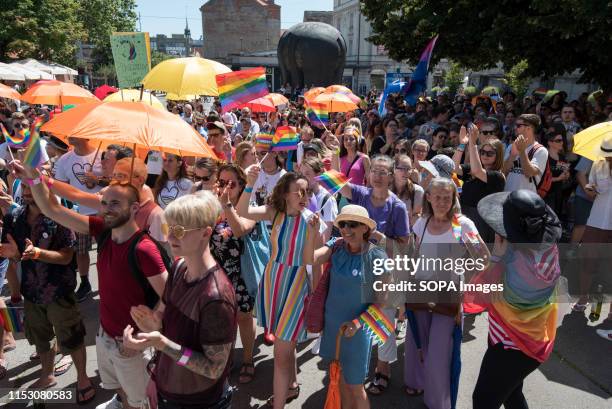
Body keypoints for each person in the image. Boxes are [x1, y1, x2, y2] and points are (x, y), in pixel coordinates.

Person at [11, 160, 168, 409]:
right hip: (105, 336)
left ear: (135, 207)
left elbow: (169, 294)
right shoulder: (102, 230)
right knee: (120, 390)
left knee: (142, 402)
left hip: (133, 344)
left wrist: (149, 328)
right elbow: (52, 209)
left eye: (115, 203)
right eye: (104, 203)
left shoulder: (145, 249)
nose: (106, 209)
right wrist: (33, 179)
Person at [122, 191, 237, 409]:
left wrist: (162, 343)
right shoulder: (177, 268)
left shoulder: (216, 297)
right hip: (169, 389)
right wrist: (155, 325)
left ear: (205, 233)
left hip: (200, 402)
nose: (169, 237)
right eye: (168, 228)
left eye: (179, 231)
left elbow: (214, 369)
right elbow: (166, 321)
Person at [237, 170, 325, 409]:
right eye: (299, 191)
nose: (304, 195)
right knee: (287, 342)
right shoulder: (274, 213)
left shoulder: (312, 220)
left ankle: (278, 404)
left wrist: (316, 294)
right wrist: (249, 184)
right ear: (285, 193)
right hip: (273, 280)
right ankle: (292, 385)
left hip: (296, 285)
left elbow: (316, 261)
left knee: (281, 353)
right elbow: (243, 211)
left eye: (307, 191)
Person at [0, 184, 96, 403]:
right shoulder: (14, 217)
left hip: (59, 291)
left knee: (72, 336)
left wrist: (38, 253)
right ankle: (47, 374)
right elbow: (14, 254)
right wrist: (14, 255)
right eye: (23, 186)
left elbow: (65, 257)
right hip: (32, 293)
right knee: (40, 337)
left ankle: (82, 378)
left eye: (31, 186)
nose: (26, 191)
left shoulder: (59, 216)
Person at [470, 190, 563, 409]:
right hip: (532, 341)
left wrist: (497, 256)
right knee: (512, 395)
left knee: (483, 401)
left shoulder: (516, 261)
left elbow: (479, 294)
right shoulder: (548, 247)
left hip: (510, 346)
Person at [404, 178, 489, 409]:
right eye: (437, 197)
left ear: (453, 199)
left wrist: (463, 281)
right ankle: (416, 382)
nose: (442, 202)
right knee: (417, 341)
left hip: (448, 297)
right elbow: (413, 254)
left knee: (440, 354)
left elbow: (483, 258)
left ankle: (436, 401)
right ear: (428, 198)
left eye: (447, 197)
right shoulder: (422, 222)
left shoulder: (463, 224)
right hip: (420, 292)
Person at [337, 154, 410, 396]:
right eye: (375, 172)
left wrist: (378, 236)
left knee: (382, 319)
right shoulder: (359, 194)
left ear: (391, 177)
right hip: (357, 268)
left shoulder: (397, 207)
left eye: (383, 172)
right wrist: (334, 152)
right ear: (368, 175)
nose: (378, 176)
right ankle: (359, 363)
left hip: (385, 273)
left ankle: (383, 369)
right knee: (358, 315)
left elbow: (403, 248)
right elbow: (337, 183)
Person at [304, 205, 389, 409]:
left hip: (357, 330)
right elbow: (309, 259)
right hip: (333, 327)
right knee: (339, 377)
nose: (346, 229)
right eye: (342, 224)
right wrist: (312, 234)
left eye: (353, 224)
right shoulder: (336, 246)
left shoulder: (377, 257)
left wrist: (358, 324)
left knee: (356, 385)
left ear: (365, 229)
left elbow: (382, 301)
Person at [210, 164, 258, 384]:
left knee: (244, 318)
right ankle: (226, 358)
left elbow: (240, 230)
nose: (226, 187)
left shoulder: (250, 208)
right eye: (222, 182)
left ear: (242, 186)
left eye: (232, 183)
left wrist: (226, 205)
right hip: (215, 275)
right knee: (220, 320)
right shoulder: (211, 206)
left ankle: (248, 359)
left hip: (240, 273)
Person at [51, 136, 103, 302]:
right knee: (81, 250)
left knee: (105, 250)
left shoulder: (102, 155)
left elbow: (117, 181)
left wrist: (98, 181)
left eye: (74, 134)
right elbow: (59, 186)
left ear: (85, 135)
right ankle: (85, 282)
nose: (68, 137)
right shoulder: (64, 160)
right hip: (79, 213)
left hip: (103, 212)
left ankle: (107, 282)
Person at [573, 139, 612, 313]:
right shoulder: (598, 164)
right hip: (596, 221)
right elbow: (591, 185)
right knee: (588, 261)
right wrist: (589, 189)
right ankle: (583, 297)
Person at [453, 125, 506, 244]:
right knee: (461, 253)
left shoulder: (497, 176)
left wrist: (472, 143)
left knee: (478, 256)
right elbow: (454, 167)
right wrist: (462, 144)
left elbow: (478, 171)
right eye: (483, 152)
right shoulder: (472, 169)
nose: (485, 156)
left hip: (481, 220)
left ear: (498, 156)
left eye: (490, 153)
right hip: (464, 214)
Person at [502, 114, 548, 193]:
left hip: (527, 200)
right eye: (515, 125)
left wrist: (522, 151)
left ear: (529, 128)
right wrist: (512, 156)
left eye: (518, 125)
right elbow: (503, 172)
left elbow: (529, 173)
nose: (515, 128)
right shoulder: (510, 147)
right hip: (507, 196)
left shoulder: (540, 150)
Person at [299, 156, 339, 240]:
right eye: (301, 174)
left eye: (307, 174)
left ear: (318, 174)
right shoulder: (299, 196)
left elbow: (326, 237)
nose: (303, 178)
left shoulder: (327, 199)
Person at [392, 155, 424, 226]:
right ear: (394, 169)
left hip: (406, 233)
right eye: (402, 168)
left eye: (408, 169)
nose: (405, 172)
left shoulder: (418, 191)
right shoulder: (385, 189)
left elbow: (415, 220)